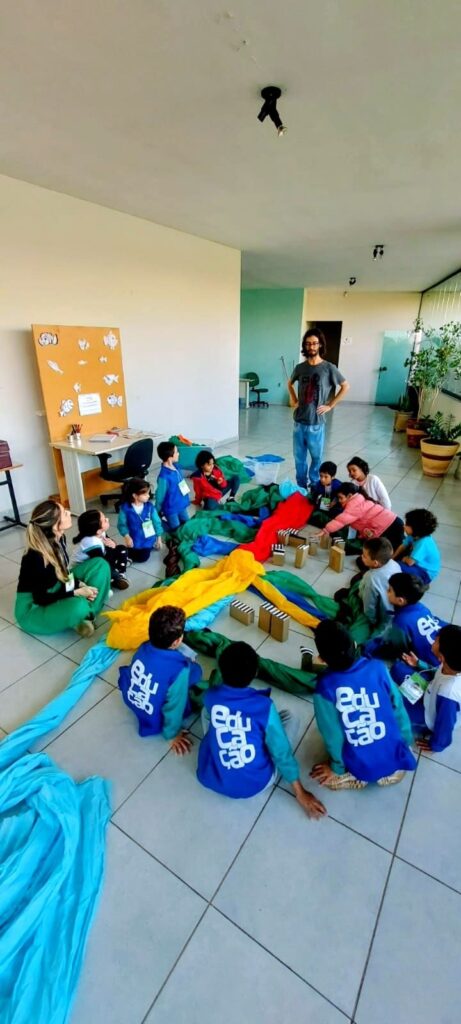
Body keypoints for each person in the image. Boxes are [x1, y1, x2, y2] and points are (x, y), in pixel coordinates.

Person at [197, 641, 326, 818]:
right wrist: (300, 793)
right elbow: (282, 753)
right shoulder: (264, 706)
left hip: (212, 777)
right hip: (255, 783)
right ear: (255, 673)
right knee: (290, 717)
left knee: (207, 710)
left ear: (221, 670)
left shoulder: (211, 695)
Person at [310, 620, 416, 790]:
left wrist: (336, 767)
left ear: (321, 659)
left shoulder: (324, 689)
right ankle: (391, 773)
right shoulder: (378, 668)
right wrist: (406, 741)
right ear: (354, 644)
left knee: (337, 767)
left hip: (364, 765)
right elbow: (399, 709)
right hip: (396, 757)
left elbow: (333, 736)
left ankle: (354, 776)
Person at [15, 499, 111, 638]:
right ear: (55, 526)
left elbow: (64, 573)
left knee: (100, 564)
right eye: (65, 513)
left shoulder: (60, 538)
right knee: (78, 606)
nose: (69, 512)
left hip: (58, 584)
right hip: (33, 609)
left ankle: (86, 614)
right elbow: (41, 598)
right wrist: (76, 592)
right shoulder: (35, 557)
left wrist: (78, 584)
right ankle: (83, 613)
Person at [118, 605, 203, 751]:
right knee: (196, 672)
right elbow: (174, 706)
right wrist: (171, 734)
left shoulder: (144, 646)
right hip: (153, 715)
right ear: (176, 642)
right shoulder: (179, 668)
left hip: (131, 699)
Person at [287, 329, 350, 489]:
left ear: (320, 344)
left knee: (316, 458)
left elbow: (345, 386)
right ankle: (301, 487)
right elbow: (289, 382)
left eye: (314, 343)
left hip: (316, 423)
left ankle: (315, 486)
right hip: (299, 422)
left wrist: (330, 405)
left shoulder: (329, 368)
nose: (311, 346)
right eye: (308, 344)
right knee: (299, 458)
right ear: (305, 346)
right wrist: (294, 398)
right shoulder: (300, 368)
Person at [363, 572, 447, 684]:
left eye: (389, 590)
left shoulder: (401, 622)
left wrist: (368, 649)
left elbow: (395, 647)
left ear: (400, 600)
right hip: (442, 659)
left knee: (397, 669)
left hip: (436, 671)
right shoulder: (422, 608)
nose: (386, 592)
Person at [401, 625, 461, 754]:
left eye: (436, 641)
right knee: (398, 669)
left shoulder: (448, 694)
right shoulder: (451, 665)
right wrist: (419, 664)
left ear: (442, 657)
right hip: (431, 692)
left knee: (393, 709)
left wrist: (437, 745)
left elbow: (445, 726)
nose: (433, 641)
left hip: (428, 717)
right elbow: (438, 671)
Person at [316, 483, 404, 551]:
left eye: (341, 498)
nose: (339, 501)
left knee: (395, 549)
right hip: (393, 521)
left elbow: (341, 521)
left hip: (388, 526)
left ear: (349, 496)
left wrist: (326, 529)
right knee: (400, 544)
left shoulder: (353, 505)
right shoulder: (359, 499)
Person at [73, 508, 129, 590]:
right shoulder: (90, 542)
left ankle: (119, 574)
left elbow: (108, 541)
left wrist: (113, 543)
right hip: (84, 568)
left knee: (122, 549)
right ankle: (115, 577)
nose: (108, 519)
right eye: (105, 520)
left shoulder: (99, 532)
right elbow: (102, 563)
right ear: (98, 530)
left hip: (98, 558)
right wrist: (111, 549)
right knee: (107, 564)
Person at [117, 477, 164, 563]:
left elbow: (157, 522)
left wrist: (159, 539)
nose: (149, 496)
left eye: (148, 493)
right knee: (127, 552)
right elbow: (122, 525)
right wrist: (127, 537)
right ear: (135, 495)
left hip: (148, 539)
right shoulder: (125, 508)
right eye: (145, 494)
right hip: (134, 539)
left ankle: (150, 546)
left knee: (142, 558)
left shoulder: (150, 507)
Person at [358, 537, 402, 626]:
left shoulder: (371, 579)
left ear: (375, 563)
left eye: (364, 556)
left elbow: (369, 607)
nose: (361, 557)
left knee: (354, 586)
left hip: (381, 617)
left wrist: (373, 621)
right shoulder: (395, 564)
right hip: (393, 611)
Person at [393, 508, 440, 584]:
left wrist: (404, 559)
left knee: (397, 567)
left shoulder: (423, 543)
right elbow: (403, 546)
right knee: (395, 559)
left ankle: (419, 584)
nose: (404, 526)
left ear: (416, 528)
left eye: (407, 525)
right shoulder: (414, 535)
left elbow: (410, 562)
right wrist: (392, 557)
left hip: (426, 572)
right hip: (416, 562)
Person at [155, 441, 191, 531]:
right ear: (170, 456)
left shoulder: (177, 467)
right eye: (176, 452)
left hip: (181, 504)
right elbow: (160, 497)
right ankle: (157, 525)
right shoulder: (164, 477)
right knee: (175, 529)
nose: (178, 454)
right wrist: (156, 511)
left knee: (187, 524)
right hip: (171, 508)